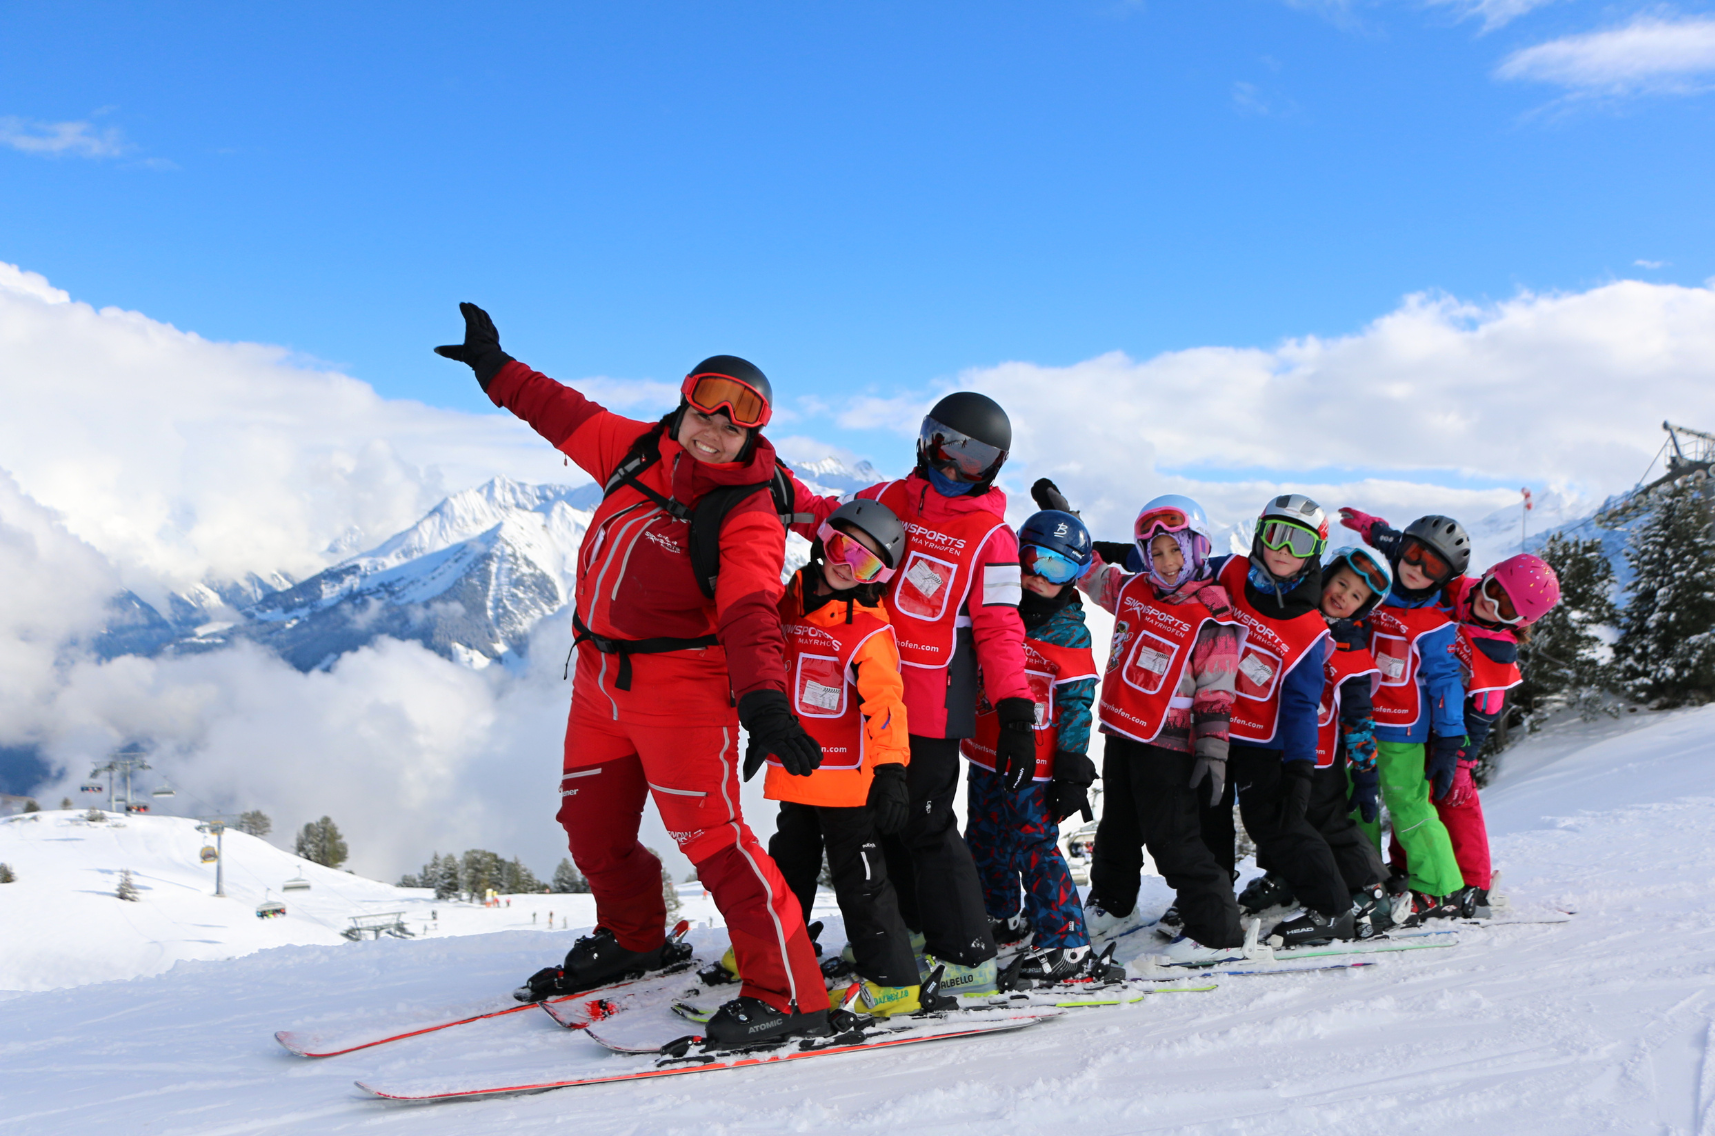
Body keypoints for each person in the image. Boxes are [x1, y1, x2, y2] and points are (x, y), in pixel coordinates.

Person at [435, 302, 829, 1046]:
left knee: (715, 842)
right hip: (598, 681)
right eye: (703, 414)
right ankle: (635, 937)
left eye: (733, 425)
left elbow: (749, 609)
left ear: (753, 434)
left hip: (682, 688)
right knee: (591, 824)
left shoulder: (746, 512)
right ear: (681, 408)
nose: (714, 433)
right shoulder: (635, 450)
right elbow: (561, 412)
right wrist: (495, 367)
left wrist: (765, 703)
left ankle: (789, 994)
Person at [786, 393, 1035, 996]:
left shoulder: (994, 538)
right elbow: (829, 521)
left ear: (994, 468)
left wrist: (1015, 708)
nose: (953, 468)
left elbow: (1001, 625)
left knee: (925, 822)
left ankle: (970, 955)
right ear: (926, 441)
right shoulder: (892, 499)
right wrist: (772, 488)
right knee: (882, 820)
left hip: (931, 696)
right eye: (946, 448)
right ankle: (916, 931)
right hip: (863, 690)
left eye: (974, 461)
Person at [759, 499, 925, 1016]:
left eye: (866, 564)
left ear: (880, 577)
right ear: (822, 540)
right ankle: (779, 957)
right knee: (787, 871)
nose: (846, 565)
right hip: (797, 771)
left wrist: (892, 770)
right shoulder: (789, 600)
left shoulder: (870, 631)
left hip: (851, 784)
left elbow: (886, 704)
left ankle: (894, 981)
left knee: (862, 884)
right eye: (841, 547)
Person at [1074, 493, 1248, 963]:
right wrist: (1070, 523)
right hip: (1125, 734)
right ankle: (1113, 903)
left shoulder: (1211, 614)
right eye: (1157, 553)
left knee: (1172, 837)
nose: (1167, 563)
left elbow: (1217, 691)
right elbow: (1090, 574)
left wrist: (1213, 751)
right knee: (1119, 828)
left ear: (1197, 549)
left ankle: (1215, 930)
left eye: (1176, 550)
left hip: (1170, 745)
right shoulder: (1134, 591)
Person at [961, 508, 1108, 985]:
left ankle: (1068, 943)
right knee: (984, 838)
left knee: (1034, 846)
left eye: (1059, 568)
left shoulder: (1068, 630)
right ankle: (1000, 917)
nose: (1040, 576)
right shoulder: (995, 611)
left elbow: (1078, 702)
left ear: (1074, 576)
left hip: (1039, 764)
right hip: (987, 751)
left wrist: (1071, 767)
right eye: (1033, 560)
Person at [1207, 495, 1351, 950]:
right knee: (1205, 816)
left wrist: (1300, 769)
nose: (1283, 549)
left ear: (1314, 552)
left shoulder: (1309, 628)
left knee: (1273, 824)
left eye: (1299, 541)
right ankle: (1210, 900)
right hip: (1213, 725)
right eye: (1276, 534)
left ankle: (1333, 911)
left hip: (1262, 743)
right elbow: (1175, 561)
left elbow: (1302, 705)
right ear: (1259, 534)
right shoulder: (1230, 572)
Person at [1242, 545, 1397, 937]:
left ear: (1362, 610)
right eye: (1341, 583)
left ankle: (1369, 891)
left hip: (1323, 759)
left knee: (1327, 825)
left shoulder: (1352, 654)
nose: (1343, 595)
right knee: (1282, 818)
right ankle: (1290, 876)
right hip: (1278, 745)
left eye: (1355, 596)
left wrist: (1365, 774)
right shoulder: (1295, 619)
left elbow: (1360, 720)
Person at [1338, 509, 1471, 923]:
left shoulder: (1435, 626)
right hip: (1359, 725)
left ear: (1444, 577)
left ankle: (1441, 886)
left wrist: (1450, 740)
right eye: (1413, 554)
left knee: (1407, 805)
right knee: (1356, 803)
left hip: (1403, 731)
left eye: (1432, 566)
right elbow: (1386, 539)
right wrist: (1370, 529)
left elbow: (1447, 683)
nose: (1416, 568)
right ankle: (1367, 877)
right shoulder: (1376, 595)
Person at [1427, 553, 1561, 917]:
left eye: (1506, 609)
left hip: (1457, 734)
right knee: (1417, 798)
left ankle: (1476, 885)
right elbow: (1426, 565)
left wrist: (1463, 760)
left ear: (1517, 622)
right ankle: (1418, 874)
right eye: (1495, 590)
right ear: (1487, 576)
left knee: (1457, 800)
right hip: (1419, 717)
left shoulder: (1495, 650)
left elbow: (1485, 711)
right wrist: (1377, 532)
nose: (1491, 603)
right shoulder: (1460, 591)